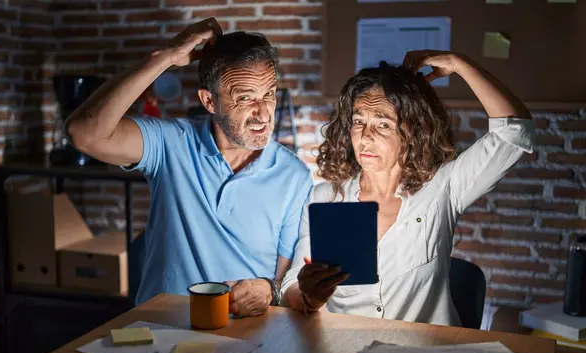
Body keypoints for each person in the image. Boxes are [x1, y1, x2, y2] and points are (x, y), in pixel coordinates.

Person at [65, 18, 313, 317]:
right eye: (245, 98)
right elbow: (83, 133)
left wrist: (268, 290)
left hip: (245, 336)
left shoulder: (294, 175)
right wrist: (165, 57)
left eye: (269, 95)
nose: (263, 113)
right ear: (209, 101)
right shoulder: (170, 143)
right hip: (161, 329)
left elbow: (283, 284)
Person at [280, 50, 534, 326]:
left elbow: (514, 132)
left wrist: (459, 64)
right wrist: (309, 297)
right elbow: (292, 285)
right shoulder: (325, 198)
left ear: (412, 131)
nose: (366, 137)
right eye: (359, 121)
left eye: (383, 124)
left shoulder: (442, 188)